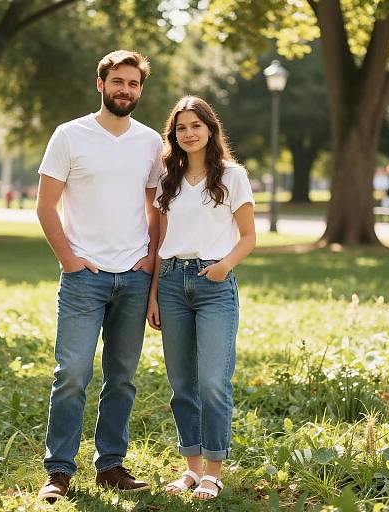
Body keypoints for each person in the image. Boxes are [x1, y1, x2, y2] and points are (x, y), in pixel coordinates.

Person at [36, 50, 162, 502]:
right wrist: (70, 260)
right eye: (119, 82)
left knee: (122, 377)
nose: (126, 90)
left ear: (140, 90)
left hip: (133, 276)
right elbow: (45, 206)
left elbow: (155, 209)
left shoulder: (150, 142)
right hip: (83, 276)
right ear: (101, 84)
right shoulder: (69, 136)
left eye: (134, 84)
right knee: (71, 372)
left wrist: (149, 260)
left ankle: (110, 466)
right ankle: (59, 471)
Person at [147, 96, 256, 500]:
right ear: (173, 135)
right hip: (172, 284)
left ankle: (213, 470)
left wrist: (225, 266)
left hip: (214, 285)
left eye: (196, 125)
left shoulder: (232, 176)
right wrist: (154, 295)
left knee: (212, 381)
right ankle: (191, 469)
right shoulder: (168, 179)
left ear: (210, 129)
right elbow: (159, 241)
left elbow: (249, 237)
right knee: (181, 384)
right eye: (181, 128)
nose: (189, 133)